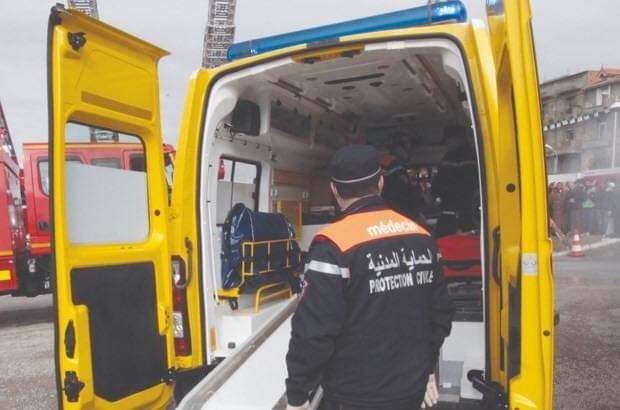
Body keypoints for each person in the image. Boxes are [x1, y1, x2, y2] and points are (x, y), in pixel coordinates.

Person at [285, 144, 455, 410]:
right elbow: (440, 313)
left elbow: (314, 331)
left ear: (334, 189)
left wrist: (297, 394)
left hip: (355, 396)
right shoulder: (421, 237)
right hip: (411, 389)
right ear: (381, 183)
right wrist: (427, 367)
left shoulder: (332, 245)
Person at [431, 125, 479, 238]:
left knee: (443, 242)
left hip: (454, 213)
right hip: (472, 213)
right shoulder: (476, 155)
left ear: (458, 139)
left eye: (449, 141)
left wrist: (433, 195)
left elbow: (441, 183)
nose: (448, 145)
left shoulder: (450, 158)